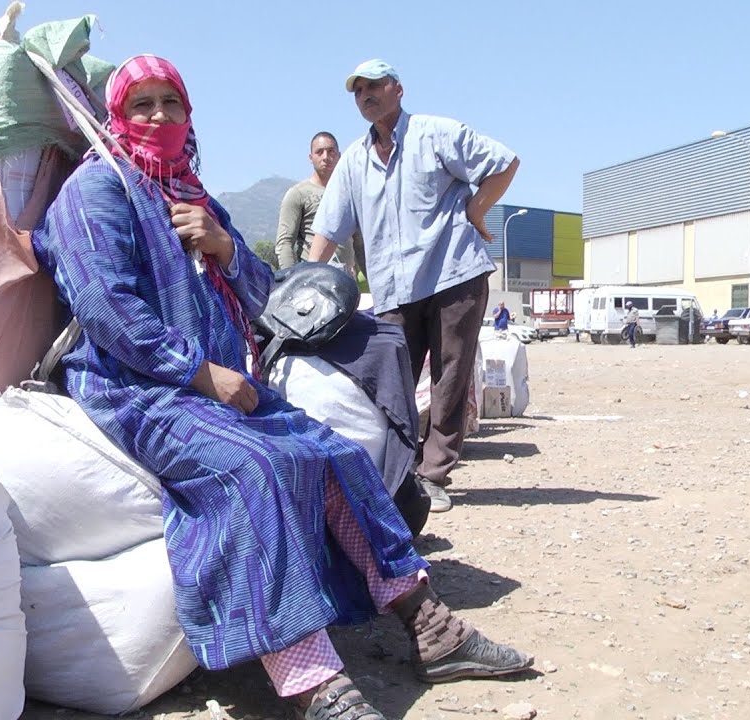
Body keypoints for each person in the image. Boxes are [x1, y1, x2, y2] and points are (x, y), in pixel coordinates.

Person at [31, 55, 532, 719]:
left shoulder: (193, 195)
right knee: (258, 471)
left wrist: (226, 249)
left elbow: (267, 296)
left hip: (219, 382)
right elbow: (104, 307)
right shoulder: (98, 191)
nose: (158, 117)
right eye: (142, 104)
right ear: (118, 114)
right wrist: (199, 374)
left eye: (170, 103)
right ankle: (314, 683)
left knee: (334, 454)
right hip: (138, 387)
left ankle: (432, 630)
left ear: (188, 114)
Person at [307, 59, 520, 513]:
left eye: (374, 86)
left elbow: (504, 163)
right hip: (393, 289)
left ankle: (434, 474)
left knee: (449, 377)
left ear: (397, 89)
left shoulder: (435, 134)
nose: (366, 95)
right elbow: (328, 229)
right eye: (358, 90)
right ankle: (396, 473)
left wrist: (477, 212)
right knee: (391, 382)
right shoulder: (353, 162)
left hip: (453, 273)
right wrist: (302, 289)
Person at [276, 132, 362, 276]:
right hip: (314, 279)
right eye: (319, 152)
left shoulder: (350, 193)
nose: (325, 157)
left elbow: (360, 244)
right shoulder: (298, 194)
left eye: (331, 151)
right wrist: (291, 281)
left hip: (346, 281)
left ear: (339, 155)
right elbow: (285, 243)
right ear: (311, 158)